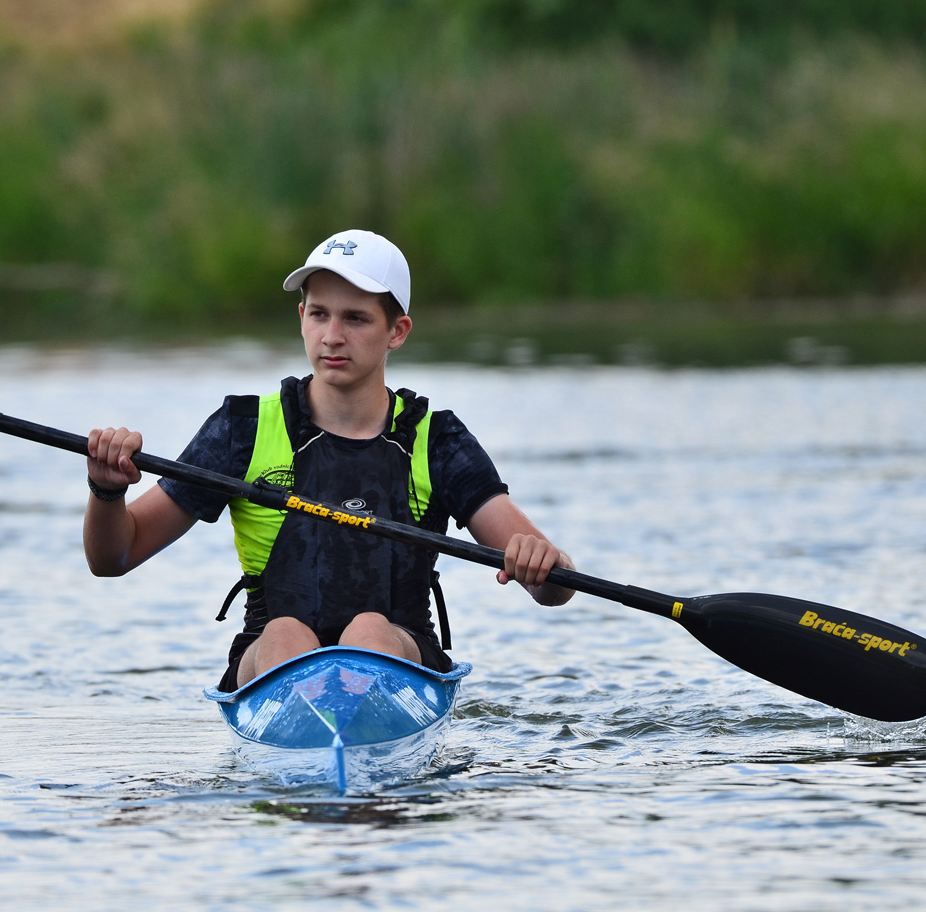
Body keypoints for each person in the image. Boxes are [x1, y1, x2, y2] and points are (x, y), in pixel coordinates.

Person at [83, 229, 574, 691]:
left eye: (355, 318)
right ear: (301, 317)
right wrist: (106, 491)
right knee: (285, 634)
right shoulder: (242, 430)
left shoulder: (437, 439)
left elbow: (554, 588)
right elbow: (114, 557)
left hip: (401, 656)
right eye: (319, 314)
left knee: (369, 631)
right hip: (270, 660)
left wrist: (544, 564)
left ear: (397, 332)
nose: (332, 336)